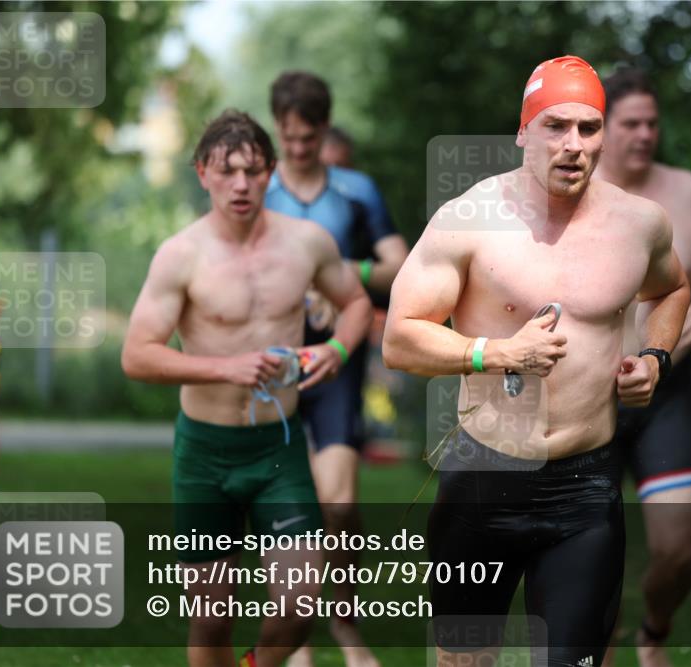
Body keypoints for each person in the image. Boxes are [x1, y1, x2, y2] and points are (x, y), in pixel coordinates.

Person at [382, 56, 691, 667]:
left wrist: (655, 356)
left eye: (589, 128)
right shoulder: (469, 220)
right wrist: (494, 352)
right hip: (483, 477)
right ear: (523, 131)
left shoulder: (639, 224)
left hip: (586, 486)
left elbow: (673, 289)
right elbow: (399, 338)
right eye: (555, 126)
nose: (573, 145)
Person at [121, 110, 372, 667]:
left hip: (276, 449)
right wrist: (225, 368)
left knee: (302, 603)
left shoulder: (308, 243)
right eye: (226, 170)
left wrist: (336, 350)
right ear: (202, 172)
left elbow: (355, 302)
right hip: (205, 454)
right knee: (211, 617)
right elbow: (137, 355)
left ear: (272, 171)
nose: (240, 184)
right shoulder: (180, 255)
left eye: (254, 171)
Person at [595, 68, 691, 667]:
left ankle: (654, 630)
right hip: (590, 396)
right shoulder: (573, 188)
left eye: (653, 122)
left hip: (667, 393)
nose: (645, 133)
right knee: (589, 557)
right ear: (602, 128)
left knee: (680, 550)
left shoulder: (689, 191)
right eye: (631, 123)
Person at [265, 71, 409, 667]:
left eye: (308, 137)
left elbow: (398, 265)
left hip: (337, 364)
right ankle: (294, 640)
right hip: (272, 366)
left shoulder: (355, 191)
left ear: (325, 130)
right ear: (279, 130)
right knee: (284, 510)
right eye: (288, 137)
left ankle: (345, 622)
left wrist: (339, 273)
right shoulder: (258, 187)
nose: (298, 149)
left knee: (340, 506)